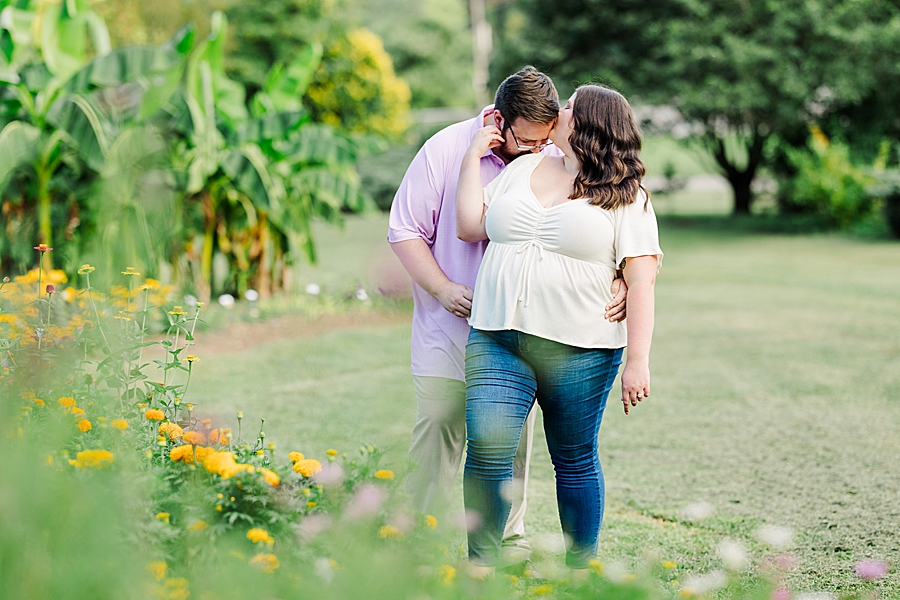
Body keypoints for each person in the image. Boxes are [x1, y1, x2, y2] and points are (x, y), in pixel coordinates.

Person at [388, 68, 628, 573]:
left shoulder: (547, 155)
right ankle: (421, 540)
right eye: (525, 139)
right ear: (498, 119)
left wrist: (625, 276)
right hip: (449, 320)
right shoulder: (447, 149)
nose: (534, 148)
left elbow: (617, 217)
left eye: (544, 139)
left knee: (507, 438)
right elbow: (406, 230)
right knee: (439, 425)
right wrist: (443, 289)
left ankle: (508, 539)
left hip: (518, 328)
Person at [455, 84, 662, 578]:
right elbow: (469, 226)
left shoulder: (627, 195)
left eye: (569, 106)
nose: (559, 111)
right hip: (497, 337)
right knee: (486, 451)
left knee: (572, 459)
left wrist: (638, 361)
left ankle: (579, 570)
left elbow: (642, 279)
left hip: (581, 350)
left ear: (588, 124)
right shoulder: (523, 168)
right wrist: (471, 158)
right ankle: (481, 569)